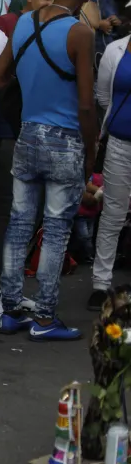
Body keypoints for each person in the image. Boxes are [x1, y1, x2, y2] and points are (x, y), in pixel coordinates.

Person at [0, 0, 97, 340]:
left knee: (20, 224)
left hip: (27, 133)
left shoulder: (23, 21)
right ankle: (46, 318)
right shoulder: (80, 33)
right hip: (65, 139)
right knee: (55, 231)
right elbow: (86, 103)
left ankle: (11, 310)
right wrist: (92, 147)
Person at [0, 0, 56, 326]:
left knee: (27, 214)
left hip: (32, 132)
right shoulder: (2, 27)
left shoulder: (52, 31)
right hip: (4, 133)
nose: (52, 3)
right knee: (7, 211)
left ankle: (8, 287)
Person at [88, 33, 131, 310]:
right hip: (119, 144)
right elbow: (103, 96)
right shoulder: (115, 50)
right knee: (113, 212)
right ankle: (100, 284)